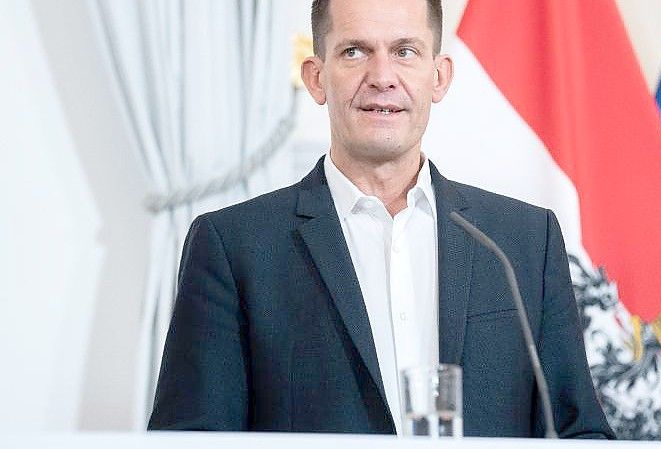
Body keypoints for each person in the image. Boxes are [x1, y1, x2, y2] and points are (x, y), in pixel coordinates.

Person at [148, 0, 614, 438]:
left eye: (405, 51)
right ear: (316, 77)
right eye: (355, 52)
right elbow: (191, 440)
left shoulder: (524, 242)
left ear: (439, 76)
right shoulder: (234, 247)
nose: (382, 76)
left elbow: (579, 434)